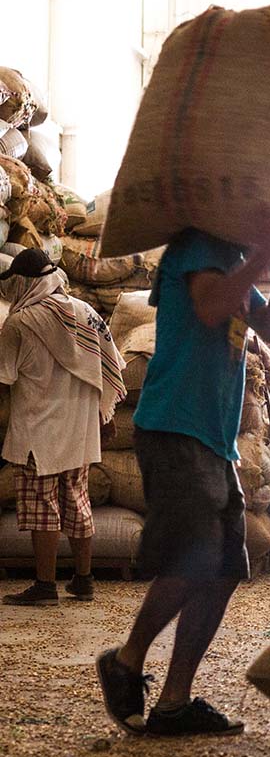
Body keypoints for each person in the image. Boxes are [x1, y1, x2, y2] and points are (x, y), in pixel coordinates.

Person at [96, 213, 270, 737]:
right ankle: (126, 659)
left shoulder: (232, 260)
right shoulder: (197, 245)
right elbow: (211, 309)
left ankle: (174, 702)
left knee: (226, 567)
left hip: (213, 440)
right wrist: (265, 251)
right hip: (175, 427)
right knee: (196, 558)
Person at [0, 249, 126, 606]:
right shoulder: (86, 313)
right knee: (77, 500)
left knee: (42, 508)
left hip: (38, 431)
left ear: (24, 283)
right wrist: (105, 416)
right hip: (80, 427)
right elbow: (109, 366)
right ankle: (83, 581)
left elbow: (4, 378)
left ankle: (45, 585)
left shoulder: (19, 323)